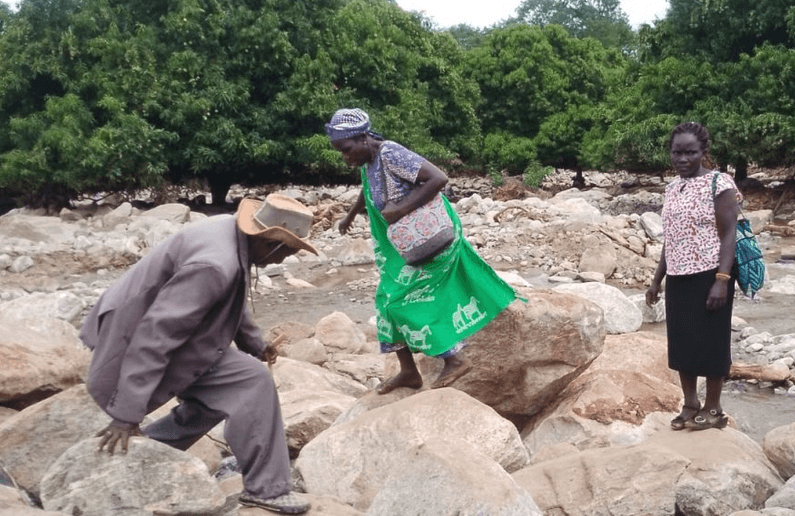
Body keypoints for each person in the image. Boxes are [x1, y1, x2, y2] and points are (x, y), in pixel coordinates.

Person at [80, 194, 317, 514]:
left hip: (163, 330)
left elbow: (229, 301)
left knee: (233, 385)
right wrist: (126, 412)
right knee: (251, 382)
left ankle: (151, 448)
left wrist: (254, 344)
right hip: (129, 338)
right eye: (288, 251)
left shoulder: (232, 236)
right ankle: (267, 490)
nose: (285, 260)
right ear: (269, 243)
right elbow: (155, 335)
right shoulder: (216, 264)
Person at [325, 108, 518, 394]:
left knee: (405, 299)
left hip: (430, 238)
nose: (344, 156)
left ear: (363, 137)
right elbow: (367, 188)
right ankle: (408, 372)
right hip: (404, 242)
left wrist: (401, 208)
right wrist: (351, 215)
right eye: (340, 151)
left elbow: (438, 178)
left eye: (346, 148)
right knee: (385, 302)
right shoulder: (369, 160)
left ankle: (455, 359)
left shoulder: (390, 153)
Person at [646, 122, 740, 431]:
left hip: (711, 273)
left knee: (712, 341)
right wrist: (657, 281)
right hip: (678, 274)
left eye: (690, 152)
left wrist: (722, 280)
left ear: (703, 153)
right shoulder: (672, 187)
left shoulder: (719, 184)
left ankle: (714, 408)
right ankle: (690, 403)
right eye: (677, 152)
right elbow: (670, 239)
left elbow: (728, 236)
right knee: (682, 342)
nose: (682, 158)